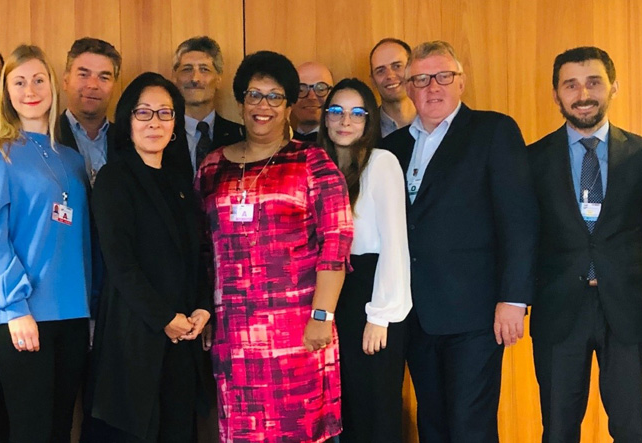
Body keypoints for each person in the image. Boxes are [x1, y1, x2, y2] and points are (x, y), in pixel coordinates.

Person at [380, 40, 537, 443]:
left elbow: (518, 220)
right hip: (414, 314)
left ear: (461, 82)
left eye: (443, 76)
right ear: (409, 87)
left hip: (475, 314)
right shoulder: (391, 148)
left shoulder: (493, 130)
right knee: (432, 425)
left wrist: (514, 298)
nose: (433, 86)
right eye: (421, 78)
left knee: (471, 428)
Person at [196, 50, 352, 443]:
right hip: (234, 331)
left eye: (274, 96)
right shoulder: (213, 166)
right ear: (240, 101)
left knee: (299, 429)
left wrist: (322, 314)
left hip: (299, 329)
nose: (262, 106)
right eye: (253, 95)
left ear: (288, 106)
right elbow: (199, 245)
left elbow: (336, 243)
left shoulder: (312, 163)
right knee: (244, 432)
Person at [528, 46, 642, 443]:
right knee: (558, 429)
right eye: (570, 84)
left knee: (632, 428)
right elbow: (521, 236)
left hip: (629, 307)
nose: (582, 94)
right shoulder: (530, 159)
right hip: (558, 309)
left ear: (613, 86)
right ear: (556, 94)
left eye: (593, 82)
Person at [0, 44, 92, 443]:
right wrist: (15, 307)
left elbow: (81, 242)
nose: (30, 90)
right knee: (30, 431)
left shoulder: (72, 159)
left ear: (54, 86)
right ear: (7, 92)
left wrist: (90, 310)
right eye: (19, 82)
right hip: (23, 315)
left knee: (60, 429)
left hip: (73, 313)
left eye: (38, 79)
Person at [88, 72, 214, 443]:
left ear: (176, 122)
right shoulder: (114, 178)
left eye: (164, 113)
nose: (154, 122)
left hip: (183, 335)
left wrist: (203, 308)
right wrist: (164, 318)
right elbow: (120, 264)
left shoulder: (179, 181)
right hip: (135, 334)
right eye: (144, 113)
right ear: (128, 120)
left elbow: (197, 255)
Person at [317, 78, 411, 443]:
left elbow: (395, 244)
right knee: (347, 409)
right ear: (325, 119)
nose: (345, 121)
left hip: (371, 294)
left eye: (357, 113)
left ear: (369, 121)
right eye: (336, 111)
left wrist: (381, 315)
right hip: (331, 293)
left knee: (377, 409)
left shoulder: (381, 162)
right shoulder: (317, 166)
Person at [170, 36, 244, 178]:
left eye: (204, 69)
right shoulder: (160, 136)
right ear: (174, 77)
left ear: (218, 79)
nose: (195, 79)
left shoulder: (240, 137)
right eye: (187, 69)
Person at [58, 37, 122, 183]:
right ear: (66, 81)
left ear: (114, 86)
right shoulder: (48, 136)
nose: (93, 85)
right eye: (83, 75)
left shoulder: (129, 141)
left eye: (104, 77)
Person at [369, 38, 417, 137]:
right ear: (373, 80)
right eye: (380, 71)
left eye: (397, 66)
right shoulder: (365, 131)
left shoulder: (437, 120)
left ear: (413, 69)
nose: (390, 76)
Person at [291, 61, 333, 143]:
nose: (312, 97)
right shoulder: (276, 147)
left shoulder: (347, 147)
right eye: (301, 89)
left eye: (321, 89)